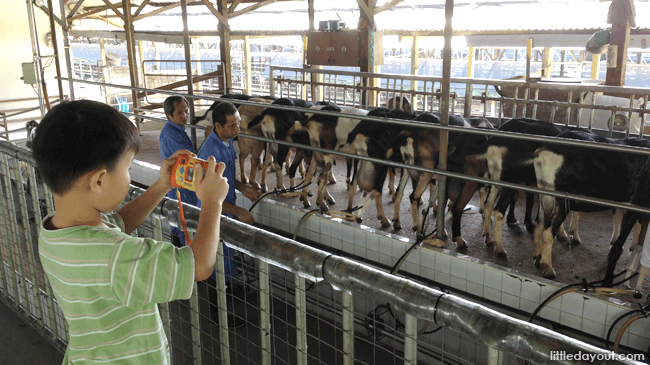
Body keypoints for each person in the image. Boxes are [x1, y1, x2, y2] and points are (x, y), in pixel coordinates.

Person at [32, 100, 229, 364]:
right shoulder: (116, 256)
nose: (128, 175)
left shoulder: (54, 232)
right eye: (127, 168)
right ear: (99, 180)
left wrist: (162, 185)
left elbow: (117, 223)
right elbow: (200, 265)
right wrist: (212, 202)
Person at [159, 95, 202, 247]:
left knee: (185, 231)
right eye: (180, 113)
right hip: (181, 193)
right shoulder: (172, 134)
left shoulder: (177, 131)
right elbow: (191, 162)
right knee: (186, 234)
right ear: (169, 115)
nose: (185, 116)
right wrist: (207, 139)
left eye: (186, 111)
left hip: (183, 192)